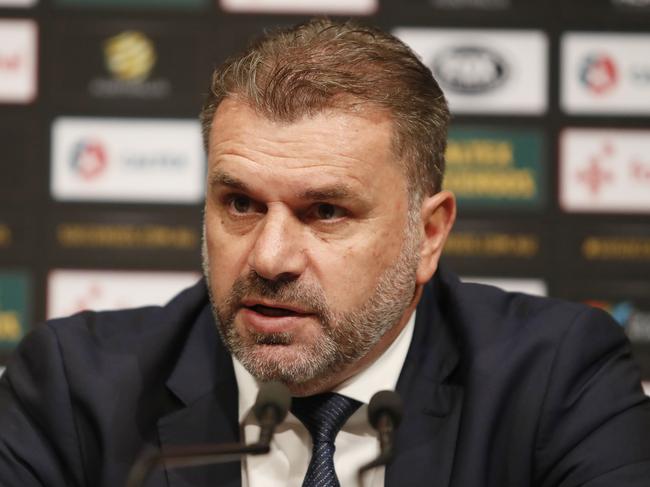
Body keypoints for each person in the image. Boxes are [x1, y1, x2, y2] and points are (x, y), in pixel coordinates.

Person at [1, 18, 649, 487]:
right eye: (241, 204)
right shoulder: (74, 390)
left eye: (326, 211)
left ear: (428, 234)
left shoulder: (556, 381)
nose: (270, 257)